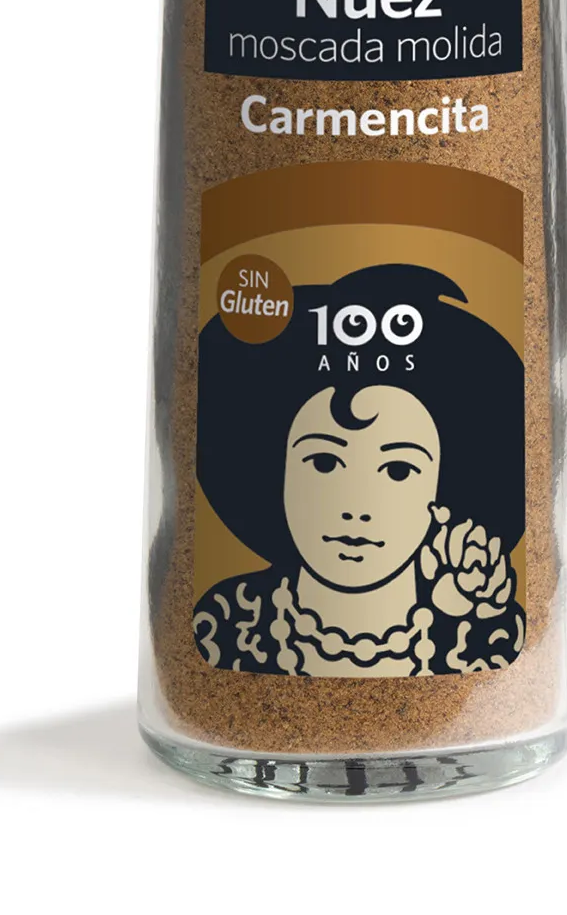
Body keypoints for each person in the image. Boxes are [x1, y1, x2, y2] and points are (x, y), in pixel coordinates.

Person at [192, 264, 526, 676]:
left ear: (443, 491)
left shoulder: (487, 632)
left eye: (399, 470)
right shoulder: (227, 622)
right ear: (277, 474)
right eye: (324, 462)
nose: (355, 507)